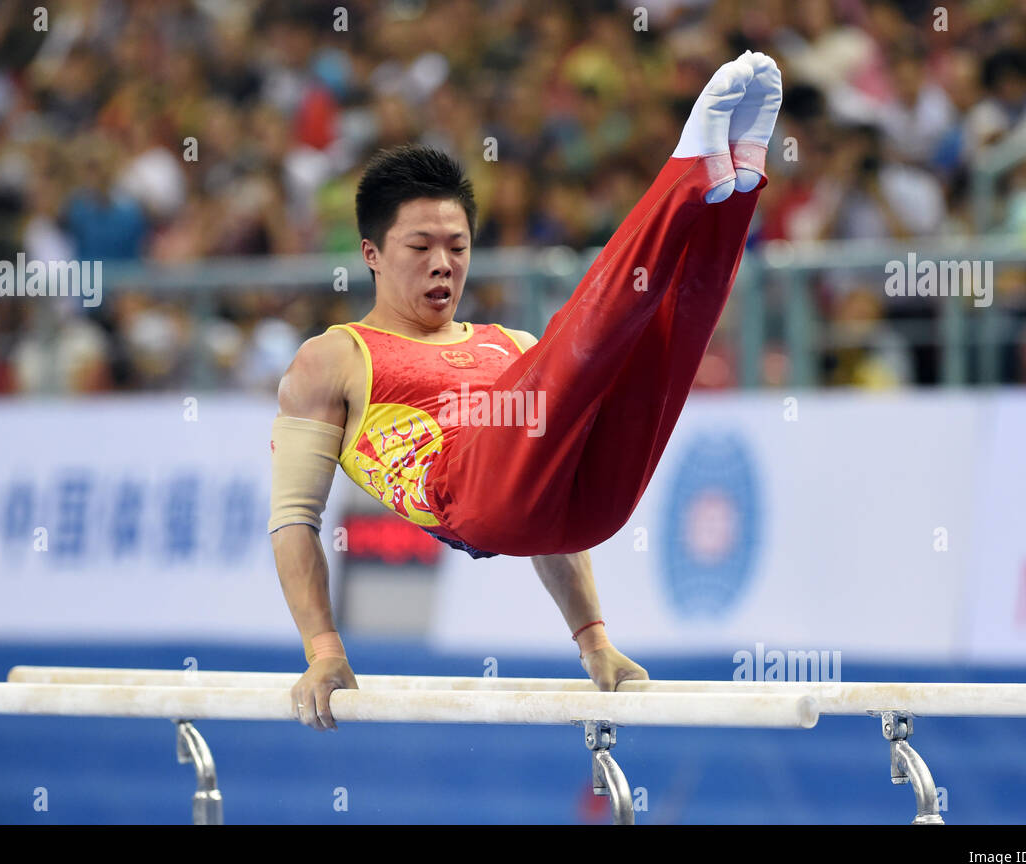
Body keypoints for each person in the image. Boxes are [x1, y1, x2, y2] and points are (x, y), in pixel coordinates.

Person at [270, 52, 781, 730]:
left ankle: (736, 182)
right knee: (587, 335)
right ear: (371, 255)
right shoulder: (331, 360)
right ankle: (688, 169)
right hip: (467, 497)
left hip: (585, 510)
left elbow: (543, 478)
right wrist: (324, 649)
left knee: (661, 345)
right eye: (420, 246)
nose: (443, 263)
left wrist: (594, 640)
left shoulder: (506, 346)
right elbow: (293, 521)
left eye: (457, 245)